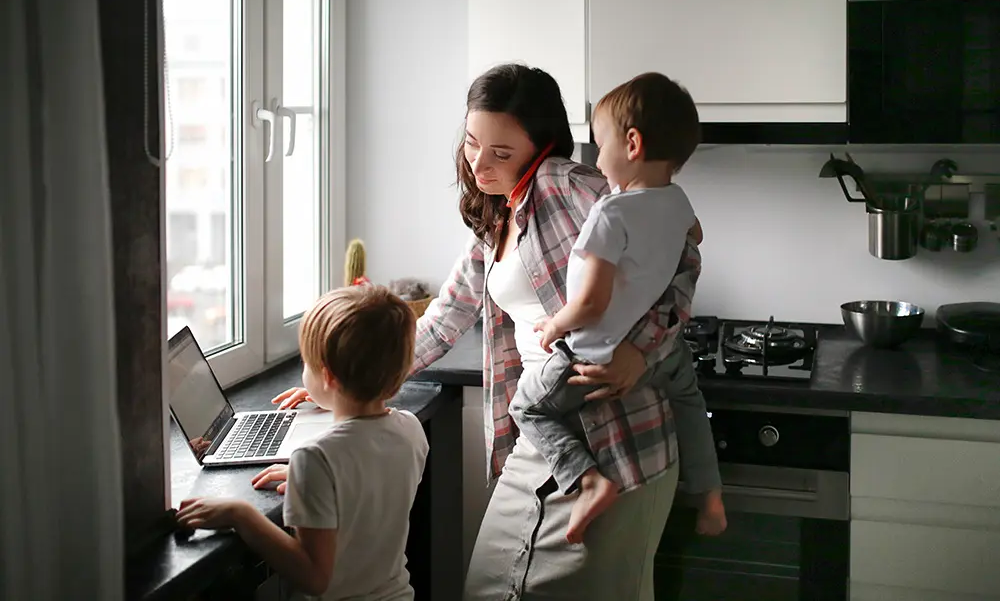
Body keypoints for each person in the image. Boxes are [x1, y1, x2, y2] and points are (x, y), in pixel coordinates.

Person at [275, 64, 712, 600]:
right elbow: (441, 320)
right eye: (472, 143)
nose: (480, 164)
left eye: (501, 154)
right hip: (548, 433)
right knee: (490, 586)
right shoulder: (497, 222)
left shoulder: (565, 183)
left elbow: (682, 251)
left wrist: (642, 355)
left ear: (541, 149)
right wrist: (341, 379)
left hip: (615, 438)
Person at [512, 71, 725, 545]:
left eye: (599, 143)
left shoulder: (609, 213)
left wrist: (554, 324)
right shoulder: (678, 201)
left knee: (526, 407)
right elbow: (697, 239)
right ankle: (710, 495)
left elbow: (590, 303)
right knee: (691, 403)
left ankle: (590, 482)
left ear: (631, 144)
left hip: (596, 356)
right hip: (661, 355)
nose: (595, 157)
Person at [177, 286, 428, 601]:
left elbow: (314, 577)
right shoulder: (411, 430)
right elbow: (365, 482)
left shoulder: (315, 459)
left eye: (306, 363)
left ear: (328, 377)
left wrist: (242, 514)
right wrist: (311, 481)